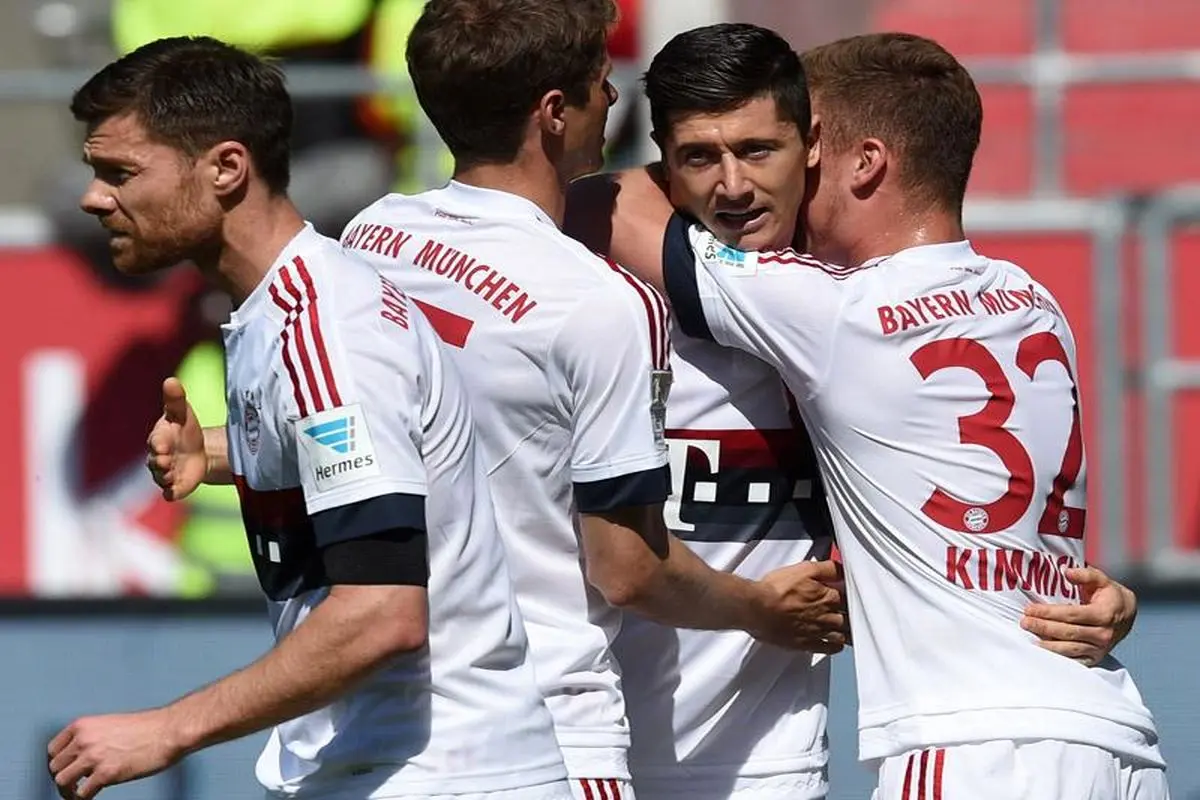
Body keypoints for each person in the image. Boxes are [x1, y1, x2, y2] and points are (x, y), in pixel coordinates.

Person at [144, 5, 841, 800]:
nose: (612, 97)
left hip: (415, 724)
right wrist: (759, 609)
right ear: (554, 112)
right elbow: (628, 571)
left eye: (757, 150)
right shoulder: (603, 302)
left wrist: (229, 450)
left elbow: (405, 435)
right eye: (599, 82)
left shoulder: (377, 234)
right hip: (555, 733)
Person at [567, 23, 1145, 800]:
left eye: (797, 149)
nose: (745, 183)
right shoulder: (1033, 302)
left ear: (863, 161)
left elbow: (602, 201)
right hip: (1108, 720)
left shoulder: (833, 312)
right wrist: (1109, 601)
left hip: (973, 738)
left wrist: (687, 157)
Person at [48, 36, 569, 800]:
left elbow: (383, 613)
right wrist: (223, 453)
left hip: (442, 778)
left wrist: (169, 728)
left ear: (227, 168)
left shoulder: (328, 328)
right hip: (386, 769)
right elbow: (384, 452)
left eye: (121, 173)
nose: (94, 198)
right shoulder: (278, 313)